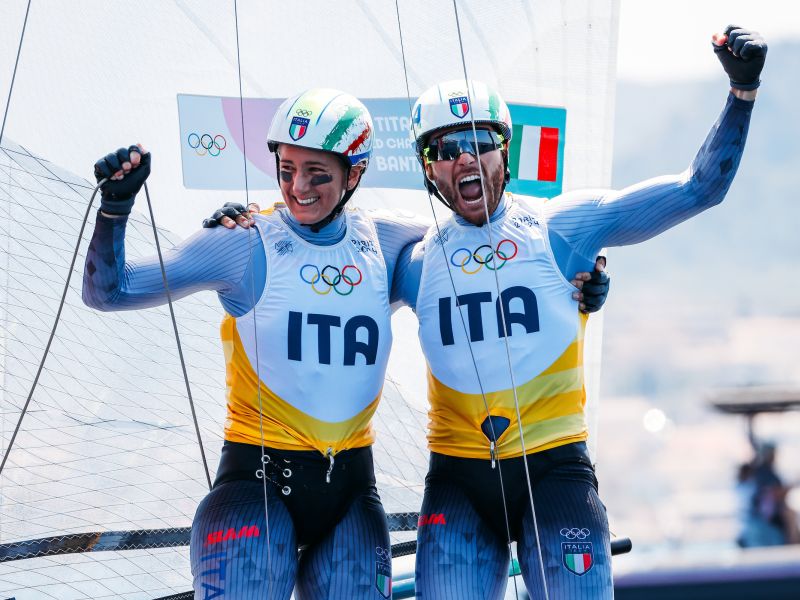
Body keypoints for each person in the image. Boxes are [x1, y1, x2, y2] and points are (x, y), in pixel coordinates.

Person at [382, 25, 766, 599]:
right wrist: (243, 224)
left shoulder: (562, 228)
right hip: (459, 482)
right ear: (428, 167)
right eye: (445, 148)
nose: (465, 157)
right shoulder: (410, 259)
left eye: (479, 141)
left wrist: (743, 92)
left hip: (556, 471)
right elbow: (315, 245)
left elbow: (698, 189)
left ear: (504, 149)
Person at [83, 89, 433, 599]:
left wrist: (583, 282)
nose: (298, 187)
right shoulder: (244, 240)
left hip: (351, 496)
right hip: (256, 488)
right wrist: (115, 210)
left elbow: (487, 240)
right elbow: (108, 293)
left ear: (354, 174)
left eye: (318, 173)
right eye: (287, 169)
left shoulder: (387, 240)